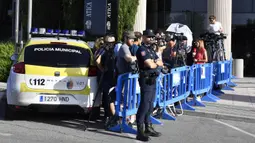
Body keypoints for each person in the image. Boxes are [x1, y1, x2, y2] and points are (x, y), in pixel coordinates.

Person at [136, 29, 164, 141]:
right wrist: (155, 63)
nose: (151, 39)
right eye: (149, 37)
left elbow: (160, 62)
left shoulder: (150, 50)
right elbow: (149, 64)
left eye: (152, 37)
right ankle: (140, 130)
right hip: (146, 79)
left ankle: (148, 127)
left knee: (150, 104)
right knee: (144, 105)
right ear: (143, 37)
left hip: (152, 79)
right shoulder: (142, 50)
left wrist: (155, 63)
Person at [94, 34, 117, 126]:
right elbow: (97, 60)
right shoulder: (103, 49)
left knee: (107, 96)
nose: (111, 45)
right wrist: (102, 69)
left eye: (112, 43)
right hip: (105, 76)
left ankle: (108, 116)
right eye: (110, 43)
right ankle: (108, 116)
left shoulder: (110, 50)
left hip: (110, 75)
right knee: (107, 97)